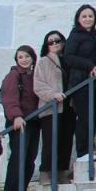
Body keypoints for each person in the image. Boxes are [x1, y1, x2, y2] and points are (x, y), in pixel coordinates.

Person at [66, 5, 96, 163]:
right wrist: (89, 65)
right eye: (84, 16)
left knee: (93, 118)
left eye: (90, 16)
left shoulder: (95, 36)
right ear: (78, 19)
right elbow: (69, 57)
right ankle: (83, 152)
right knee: (85, 118)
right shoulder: (75, 36)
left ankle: (89, 150)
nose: (88, 19)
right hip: (81, 83)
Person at [1, 45, 40, 191]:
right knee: (19, 158)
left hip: (33, 121)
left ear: (32, 57)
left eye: (27, 56)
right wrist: (16, 115)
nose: (24, 60)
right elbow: (9, 98)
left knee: (29, 159)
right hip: (20, 122)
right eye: (20, 57)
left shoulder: (33, 75)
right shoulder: (14, 75)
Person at [34, 31, 72, 182]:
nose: (55, 43)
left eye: (57, 40)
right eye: (51, 42)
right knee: (50, 141)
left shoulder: (68, 60)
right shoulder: (44, 62)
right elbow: (38, 85)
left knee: (66, 140)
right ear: (47, 45)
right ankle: (46, 172)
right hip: (52, 107)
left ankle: (62, 171)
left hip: (68, 106)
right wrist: (53, 95)